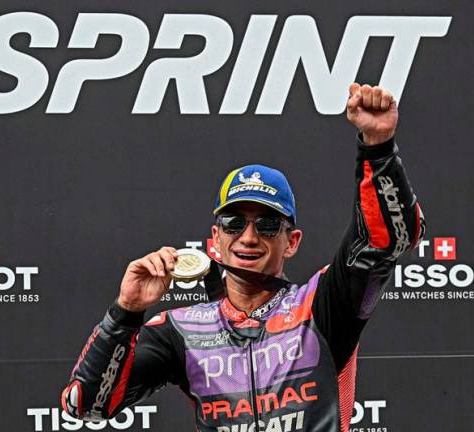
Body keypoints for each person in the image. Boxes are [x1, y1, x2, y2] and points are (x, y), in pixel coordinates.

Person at [61, 83, 425, 432]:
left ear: (292, 241)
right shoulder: (182, 330)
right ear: (215, 239)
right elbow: (88, 405)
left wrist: (377, 147)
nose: (249, 237)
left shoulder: (321, 307)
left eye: (267, 225)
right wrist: (126, 311)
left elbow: (385, 240)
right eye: (234, 223)